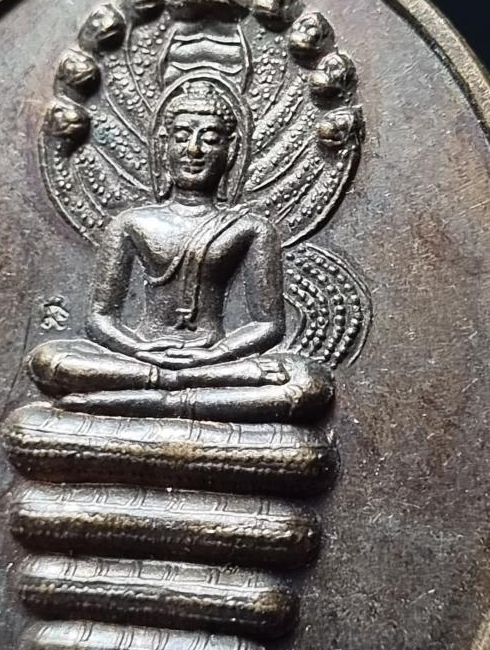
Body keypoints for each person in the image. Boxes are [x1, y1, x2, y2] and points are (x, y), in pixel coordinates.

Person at [28, 79, 333, 422]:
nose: (194, 149)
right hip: (141, 357)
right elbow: (100, 318)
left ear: (231, 150)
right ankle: (177, 390)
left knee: (310, 382)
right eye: (182, 136)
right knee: (49, 361)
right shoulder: (132, 223)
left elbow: (269, 324)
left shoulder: (251, 228)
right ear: (163, 145)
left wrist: (216, 354)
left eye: (210, 139)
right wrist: (139, 349)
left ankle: (148, 398)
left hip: (217, 360)